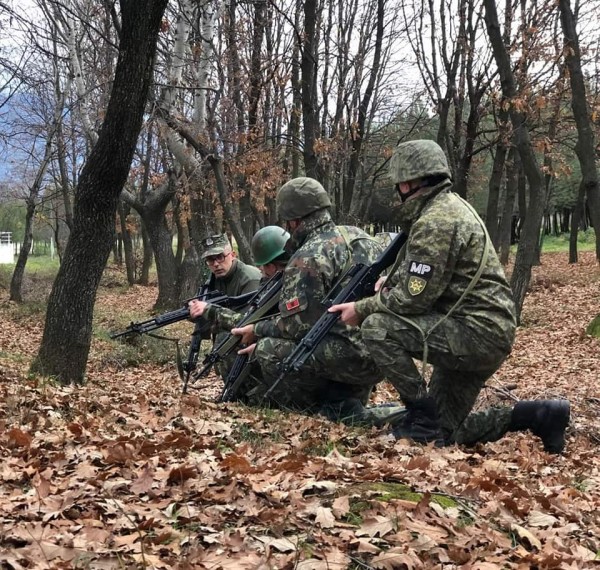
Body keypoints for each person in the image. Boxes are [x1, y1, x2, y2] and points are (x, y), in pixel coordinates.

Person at [329, 139, 571, 454]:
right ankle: (538, 415)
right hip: (480, 331)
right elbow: (435, 275)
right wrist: (395, 278)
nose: (398, 189)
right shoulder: (448, 208)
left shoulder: (435, 222)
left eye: (400, 183)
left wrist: (360, 309)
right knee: (444, 433)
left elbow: (412, 301)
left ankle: (420, 417)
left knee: (377, 326)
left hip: (474, 332)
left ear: (410, 181)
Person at [231, 177, 386, 420]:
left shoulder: (307, 257)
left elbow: (298, 326)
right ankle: (344, 398)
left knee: (268, 349)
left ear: (293, 220)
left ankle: (317, 406)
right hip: (382, 352)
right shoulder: (360, 236)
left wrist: (257, 329)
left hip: (349, 358)